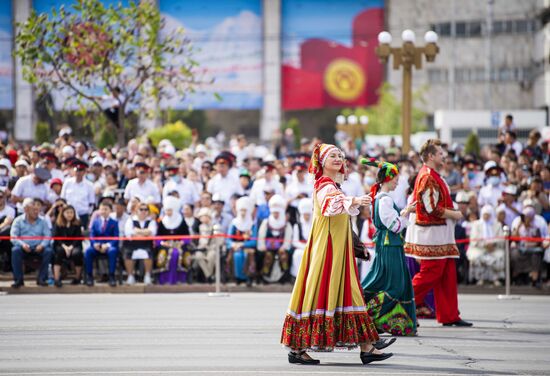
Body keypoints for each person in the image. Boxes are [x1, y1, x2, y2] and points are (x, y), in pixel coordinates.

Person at [281, 144, 392, 365]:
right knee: (321, 291)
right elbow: (330, 205)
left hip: (338, 249)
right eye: (332, 155)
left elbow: (339, 210)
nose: (338, 158)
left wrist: (353, 237)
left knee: (348, 292)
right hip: (327, 250)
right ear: (321, 162)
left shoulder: (333, 185)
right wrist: (354, 201)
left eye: (340, 155)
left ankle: (367, 346)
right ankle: (296, 348)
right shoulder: (324, 184)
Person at [404, 139, 472, 327]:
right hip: (432, 234)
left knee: (446, 274)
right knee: (431, 273)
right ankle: (400, 304)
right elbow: (431, 207)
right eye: (440, 153)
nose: (444, 156)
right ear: (431, 156)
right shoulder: (427, 176)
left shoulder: (432, 174)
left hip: (440, 233)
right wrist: (455, 214)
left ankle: (449, 315)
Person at [361, 159, 417, 336]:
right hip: (389, 245)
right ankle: (368, 316)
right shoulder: (384, 200)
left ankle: (391, 322)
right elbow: (394, 226)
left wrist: (404, 212)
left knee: (387, 281)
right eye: (395, 179)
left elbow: (390, 221)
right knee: (395, 285)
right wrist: (407, 213)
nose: (397, 182)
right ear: (387, 179)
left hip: (389, 244)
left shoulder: (381, 198)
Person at [10, 198, 53, 288]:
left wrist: (42, 245)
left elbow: (47, 236)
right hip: (24, 247)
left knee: (48, 251)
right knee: (15, 250)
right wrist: (22, 244)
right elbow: (13, 237)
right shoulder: (18, 221)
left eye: (38, 210)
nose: (36, 212)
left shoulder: (43, 221)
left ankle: (42, 279)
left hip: (38, 247)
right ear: (26, 210)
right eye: (34, 210)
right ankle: (18, 280)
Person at [257, 194, 293, 284]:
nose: (276, 214)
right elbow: (261, 236)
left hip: (281, 248)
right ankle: (265, 276)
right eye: (274, 212)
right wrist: (263, 246)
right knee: (268, 256)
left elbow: (288, 238)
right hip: (268, 248)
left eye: (277, 212)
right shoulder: (266, 222)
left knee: (283, 256)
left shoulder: (286, 224)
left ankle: (284, 276)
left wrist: (284, 247)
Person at [467, 205, 505, 286]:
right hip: (479, 248)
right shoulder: (476, 224)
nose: (486, 216)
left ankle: (495, 278)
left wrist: (493, 244)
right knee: (477, 256)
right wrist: (484, 244)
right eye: (484, 214)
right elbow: (473, 239)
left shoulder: (497, 224)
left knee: (499, 256)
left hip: (494, 248)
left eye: (488, 214)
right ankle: (480, 278)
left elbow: (501, 238)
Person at [156, 196, 190, 285]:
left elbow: (187, 236)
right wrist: (163, 242)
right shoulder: (162, 222)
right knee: (168, 254)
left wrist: (181, 242)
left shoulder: (181, 221)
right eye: (166, 210)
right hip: (165, 246)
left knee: (177, 253)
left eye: (170, 210)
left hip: (179, 245)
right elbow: (157, 238)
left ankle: (179, 279)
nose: (168, 212)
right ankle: (165, 279)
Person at [84, 202, 119, 287]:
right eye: (102, 209)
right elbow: (92, 235)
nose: (103, 211)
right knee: (88, 251)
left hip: (108, 246)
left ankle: (111, 276)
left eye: (106, 209)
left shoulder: (114, 223)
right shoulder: (95, 222)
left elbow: (116, 237)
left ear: (110, 210)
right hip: (97, 246)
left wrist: (107, 245)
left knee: (113, 251)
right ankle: (89, 276)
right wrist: (95, 244)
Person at [226, 196, 257, 286]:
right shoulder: (234, 223)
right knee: (237, 256)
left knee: (247, 255)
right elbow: (228, 239)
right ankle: (237, 277)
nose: (243, 213)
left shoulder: (252, 225)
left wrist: (243, 244)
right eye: (241, 210)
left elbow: (254, 241)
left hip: (247, 248)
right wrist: (233, 244)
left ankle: (248, 277)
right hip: (235, 247)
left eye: (245, 210)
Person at [123, 202, 157, 285]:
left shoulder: (151, 221)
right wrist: (144, 233)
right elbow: (128, 233)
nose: (143, 211)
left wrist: (137, 231)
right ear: (136, 210)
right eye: (141, 209)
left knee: (149, 252)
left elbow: (152, 232)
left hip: (146, 245)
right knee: (127, 253)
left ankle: (147, 276)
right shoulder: (130, 220)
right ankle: (130, 276)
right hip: (132, 245)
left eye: (146, 209)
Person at [52, 205, 84, 287]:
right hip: (61, 245)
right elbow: (56, 237)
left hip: (74, 245)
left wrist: (71, 247)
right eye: (67, 213)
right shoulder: (58, 223)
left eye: (71, 213)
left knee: (77, 253)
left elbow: (78, 237)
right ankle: (56, 278)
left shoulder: (77, 224)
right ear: (63, 213)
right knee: (58, 252)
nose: (69, 214)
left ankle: (77, 277)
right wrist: (65, 247)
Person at [60, 160, 95, 228]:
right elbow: (62, 198)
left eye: (80, 170)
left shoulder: (89, 185)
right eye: (77, 170)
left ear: (84, 172)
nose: (78, 173)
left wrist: (88, 214)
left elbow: (91, 203)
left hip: (83, 214)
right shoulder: (67, 182)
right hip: (68, 214)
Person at [290, 198, 313, 279]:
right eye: (304, 214)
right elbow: (294, 241)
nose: (306, 216)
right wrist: (305, 247)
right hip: (301, 248)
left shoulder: (314, 225)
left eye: (308, 214)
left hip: (313, 247)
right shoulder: (297, 225)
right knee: (297, 254)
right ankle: (299, 277)